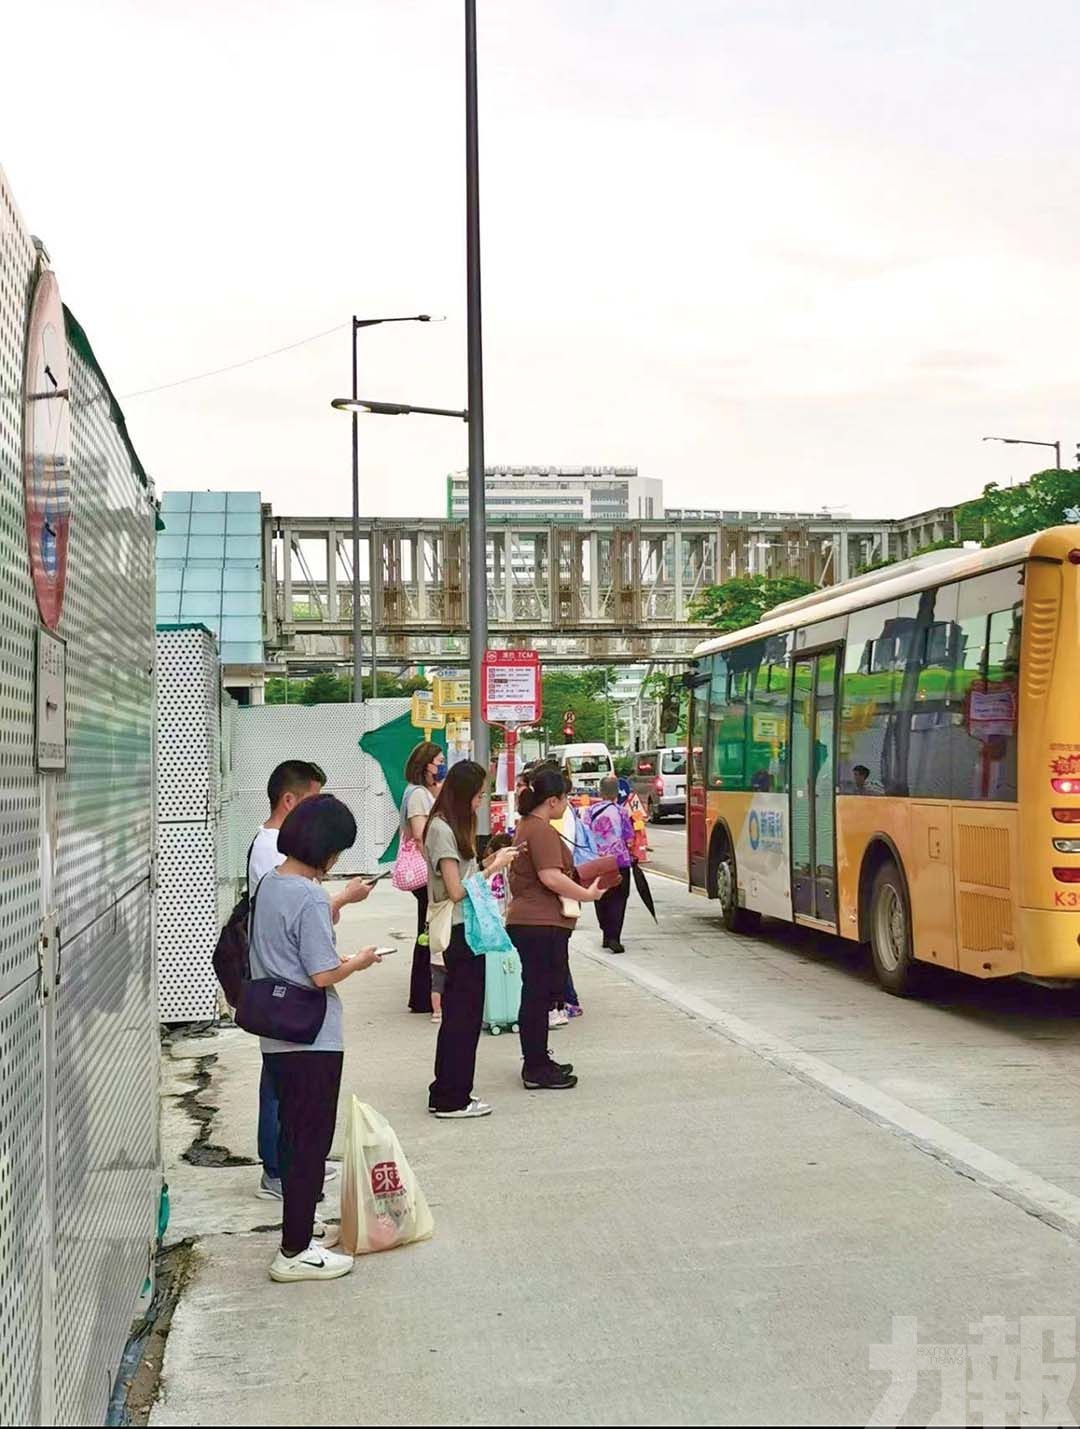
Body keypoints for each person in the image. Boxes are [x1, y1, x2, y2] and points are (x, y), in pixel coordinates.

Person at [250, 794, 383, 1282]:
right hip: (314, 1037)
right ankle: (295, 1251)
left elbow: (289, 939)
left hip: (277, 1034)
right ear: (325, 847)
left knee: (292, 1136)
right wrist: (362, 960)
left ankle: (299, 1226)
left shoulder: (270, 884)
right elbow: (323, 973)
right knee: (310, 1141)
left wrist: (341, 899)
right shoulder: (307, 896)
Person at [425, 761, 517, 1119]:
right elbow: (455, 890)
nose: (479, 803)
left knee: (462, 1016)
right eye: (478, 796)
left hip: (466, 931)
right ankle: (452, 1097)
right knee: (463, 1017)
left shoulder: (446, 827)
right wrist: (492, 868)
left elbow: (464, 877)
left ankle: (449, 1091)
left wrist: (491, 860)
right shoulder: (442, 830)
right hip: (458, 932)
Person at [508, 767, 603, 1091]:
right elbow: (551, 876)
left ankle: (538, 1059)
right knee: (538, 994)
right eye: (565, 797)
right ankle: (535, 1067)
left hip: (531, 920)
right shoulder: (542, 831)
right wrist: (586, 895)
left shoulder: (526, 826)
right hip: (540, 922)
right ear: (552, 800)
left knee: (536, 992)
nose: (568, 803)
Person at [401, 741, 447, 1019]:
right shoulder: (417, 794)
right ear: (426, 764)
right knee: (428, 933)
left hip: (427, 868)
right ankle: (422, 994)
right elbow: (420, 833)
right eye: (438, 761)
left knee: (426, 931)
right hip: (424, 869)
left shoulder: (422, 792)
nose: (441, 766)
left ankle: (422, 994)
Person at [583, 775, 635, 954]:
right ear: (617, 793)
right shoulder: (621, 812)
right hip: (619, 861)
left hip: (598, 862)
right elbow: (629, 836)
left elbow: (585, 835)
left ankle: (606, 933)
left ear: (600, 792)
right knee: (619, 899)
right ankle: (614, 937)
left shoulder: (589, 811)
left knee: (601, 896)